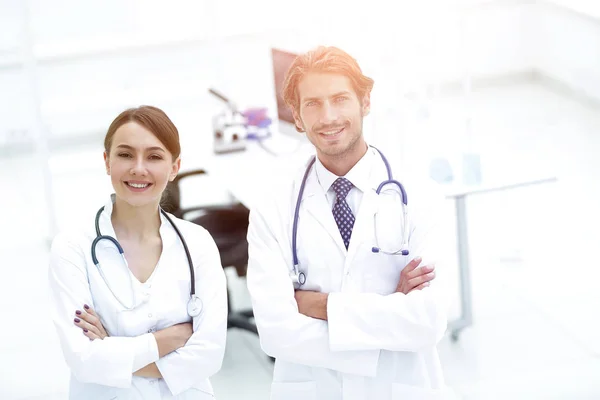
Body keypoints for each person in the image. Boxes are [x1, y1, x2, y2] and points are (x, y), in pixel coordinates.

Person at [246, 46, 454, 399]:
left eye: (340, 99)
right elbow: (274, 332)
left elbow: (427, 321)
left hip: (400, 388)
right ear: (296, 116)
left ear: (365, 102)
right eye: (312, 104)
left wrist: (315, 305)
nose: (328, 117)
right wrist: (389, 311)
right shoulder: (273, 206)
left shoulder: (421, 195)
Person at [48, 106, 228, 399]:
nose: (138, 168)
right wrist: (166, 341)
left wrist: (112, 348)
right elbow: (83, 359)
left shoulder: (198, 243)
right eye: (125, 154)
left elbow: (209, 356)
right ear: (107, 161)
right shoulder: (72, 248)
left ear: (174, 167)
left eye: (154, 156)